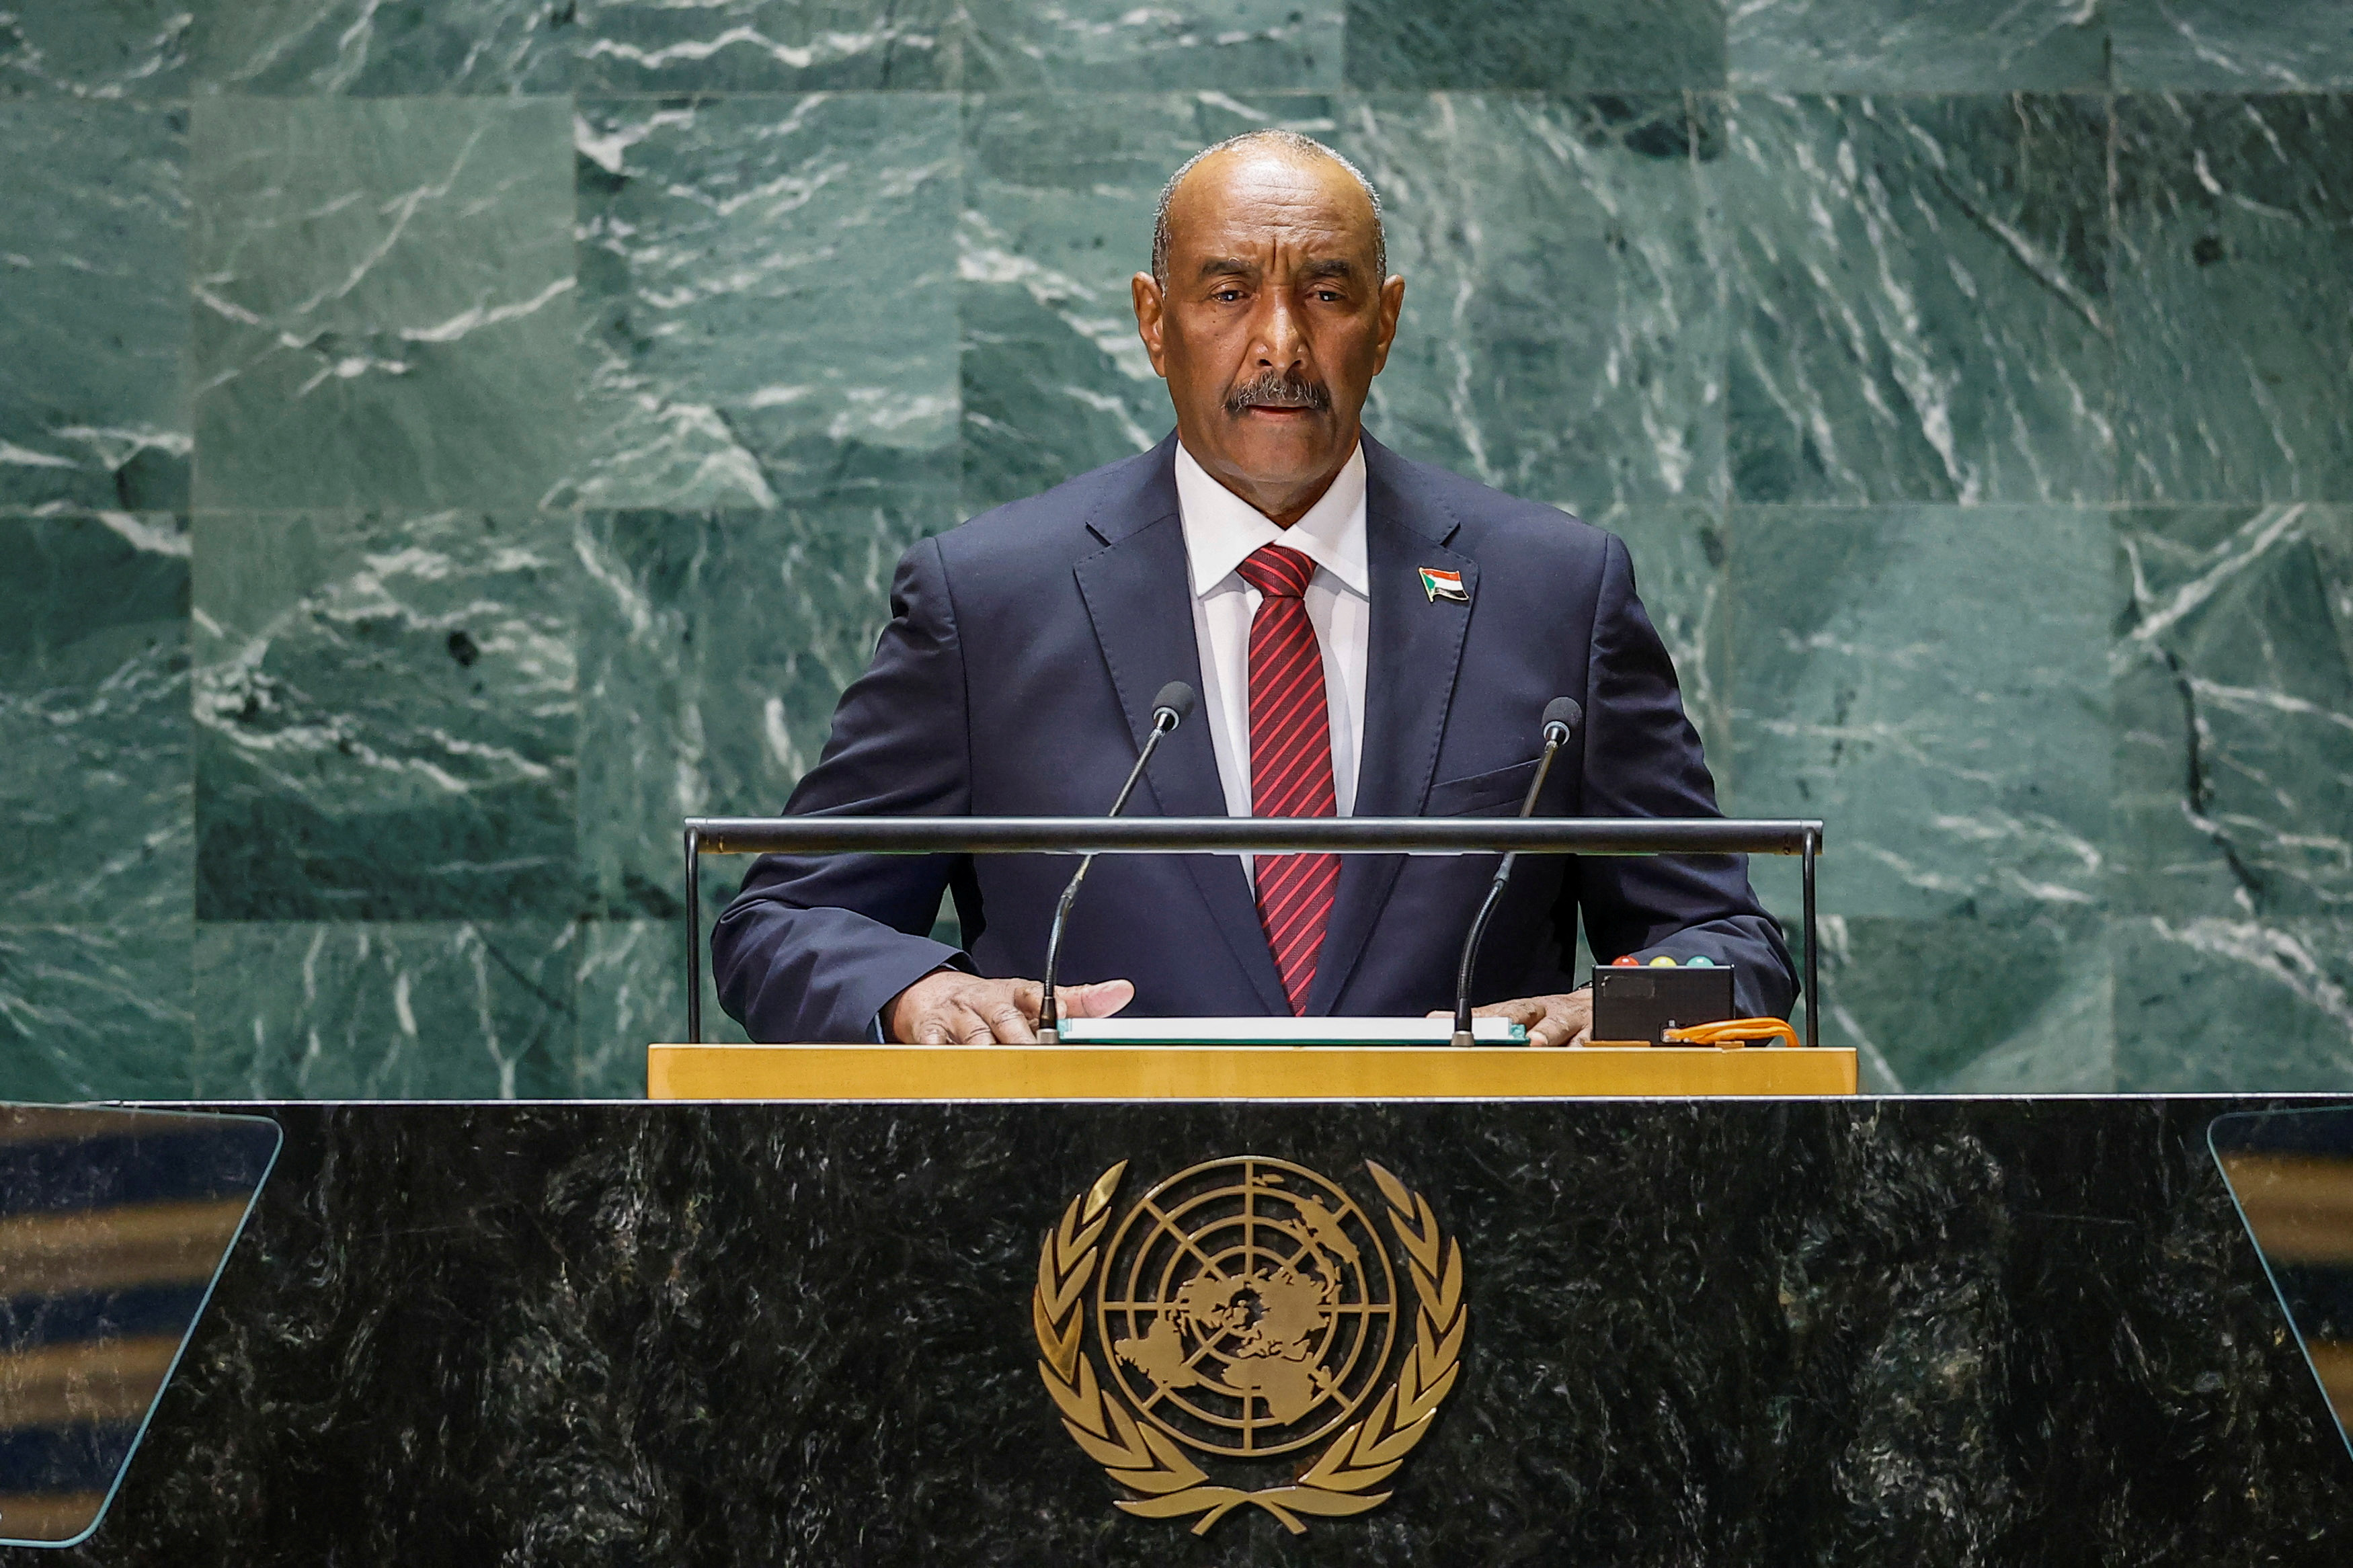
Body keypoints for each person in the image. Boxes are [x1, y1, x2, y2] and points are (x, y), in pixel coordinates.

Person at [712, 130, 1796, 1047]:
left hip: (1482, 1247)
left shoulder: (1558, 594)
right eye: (1228, 292)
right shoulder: (988, 600)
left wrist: (1623, 1011)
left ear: (1386, 322)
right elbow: (784, 920)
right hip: (1090, 1250)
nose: (1279, 343)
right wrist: (915, 994)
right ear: (1153, 321)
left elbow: (1732, 945)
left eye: (1326, 294)